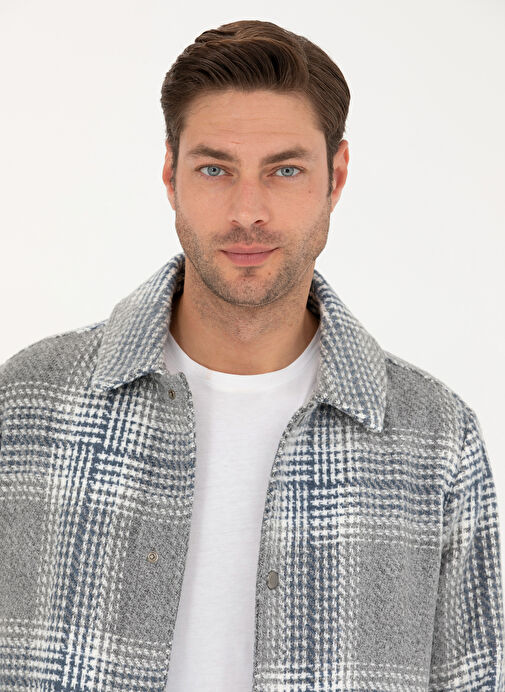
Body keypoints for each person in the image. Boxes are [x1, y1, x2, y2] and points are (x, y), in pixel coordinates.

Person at [0, 18, 503, 692]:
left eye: (284, 170)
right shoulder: (28, 408)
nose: (247, 211)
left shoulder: (434, 438)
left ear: (335, 178)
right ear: (170, 175)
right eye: (215, 169)